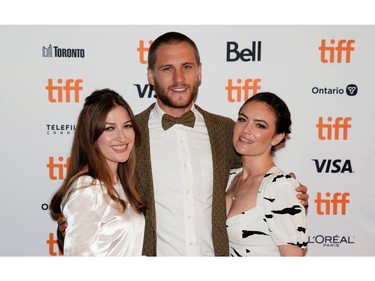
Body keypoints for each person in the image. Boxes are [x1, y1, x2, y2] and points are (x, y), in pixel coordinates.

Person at [57, 31, 309, 256]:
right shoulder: (131, 134)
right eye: (167, 68)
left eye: (187, 67)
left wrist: (287, 193)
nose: (179, 78)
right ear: (151, 76)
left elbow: (255, 172)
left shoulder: (225, 131)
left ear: (199, 72)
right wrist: (72, 223)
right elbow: (101, 196)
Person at [50, 88, 147, 256]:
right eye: (109, 128)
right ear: (91, 135)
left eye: (127, 126)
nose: (122, 137)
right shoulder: (87, 190)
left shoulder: (120, 183)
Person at [226, 92, 308, 256]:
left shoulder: (280, 187)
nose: (246, 130)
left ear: (277, 137)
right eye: (242, 119)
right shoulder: (229, 177)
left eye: (260, 125)